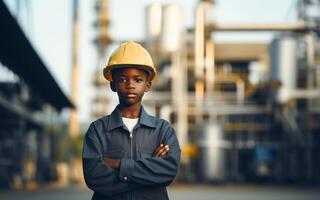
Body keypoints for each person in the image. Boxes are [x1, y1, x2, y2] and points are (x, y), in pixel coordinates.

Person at [82, 41, 181, 200]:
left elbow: (168, 171)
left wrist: (118, 164)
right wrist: (149, 170)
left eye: (137, 80)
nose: (130, 85)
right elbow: (94, 177)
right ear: (112, 85)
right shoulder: (97, 130)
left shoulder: (162, 130)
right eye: (122, 80)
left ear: (148, 85)